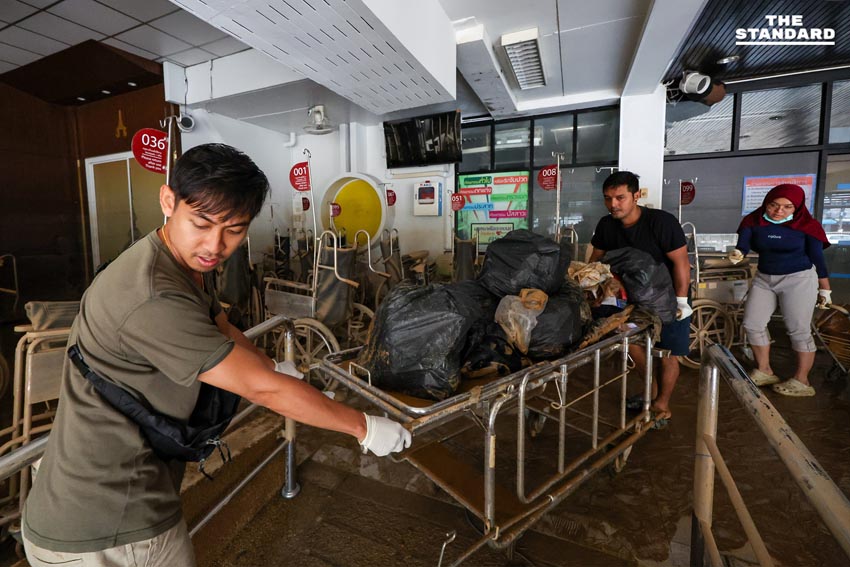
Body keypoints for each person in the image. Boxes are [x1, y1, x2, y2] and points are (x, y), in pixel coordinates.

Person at [22, 144, 411, 567]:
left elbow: (223, 328)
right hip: (106, 523)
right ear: (168, 201)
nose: (215, 245)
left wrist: (272, 365)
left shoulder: (178, 262)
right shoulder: (153, 295)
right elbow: (262, 391)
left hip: (113, 497)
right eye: (202, 223)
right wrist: (363, 427)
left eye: (234, 229)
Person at [589, 171, 692, 427]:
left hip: (667, 297)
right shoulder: (606, 225)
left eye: (620, 197)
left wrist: (681, 301)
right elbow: (595, 261)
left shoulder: (661, 223)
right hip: (631, 300)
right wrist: (591, 287)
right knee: (632, 344)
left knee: (668, 352)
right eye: (608, 198)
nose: (614, 204)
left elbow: (681, 263)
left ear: (636, 196)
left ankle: (662, 403)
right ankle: (650, 388)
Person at [729, 183, 831, 397]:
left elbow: (817, 259)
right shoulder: (753, 221)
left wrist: (825, 290)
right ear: (766, 203)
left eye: (787, 207)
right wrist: (739, 253)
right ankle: (764, 370)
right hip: (765, 278)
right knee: (752, 323)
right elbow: (744, 244)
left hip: (799, 279)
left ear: (798, 208)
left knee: (798, 329)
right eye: (773, 205)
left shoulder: (808, 226)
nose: (778, 211)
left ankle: (802, 380)